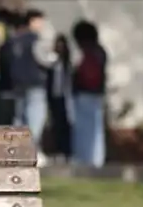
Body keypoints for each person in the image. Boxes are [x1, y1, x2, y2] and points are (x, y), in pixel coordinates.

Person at [7, 9, 57, 163]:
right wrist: (54, 58)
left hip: (18, 84)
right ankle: (32, 151)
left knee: (20, 118)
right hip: (35, 84)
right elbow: (44, 59)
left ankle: (16, 151)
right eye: (40, 21)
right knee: (35, 119)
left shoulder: (15, 40)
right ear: (33, 21)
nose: (42, 25)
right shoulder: (36, 39)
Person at [71, 20, 108, 167]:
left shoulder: (81, 52)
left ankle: (84, 158)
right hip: (97, 93)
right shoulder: (100, 51)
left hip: (82, 93)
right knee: (96, 128)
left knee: (82, 128)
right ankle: (96, 159)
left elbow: (75, 70)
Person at [46, 34, 73, 162]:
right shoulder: (53, 62)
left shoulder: (68, 63)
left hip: (65, 97)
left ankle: (66, 151)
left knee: (65, 124)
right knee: (56, 123)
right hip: (54, 97)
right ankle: (57, 150)